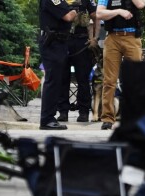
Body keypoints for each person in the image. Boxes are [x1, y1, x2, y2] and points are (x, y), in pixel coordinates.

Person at [95, 0, 145, 130]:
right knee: (109, 81)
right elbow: (99, 13)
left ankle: (134, 118)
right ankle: (107, 118)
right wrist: (118, 11)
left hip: (132, 37)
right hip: (113, 38)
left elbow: (141, 4)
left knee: (135, 80)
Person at [38, 0, 79, 130]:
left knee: (56, 81)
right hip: (52, 43)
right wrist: (75, 9)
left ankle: (50, 117)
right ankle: (47, 119)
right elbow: (68, 16)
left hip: (59, 43)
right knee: (52, 81)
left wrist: (71, 8)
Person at [57, 0, 96, 123]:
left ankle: (83, 111)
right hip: (63, 40)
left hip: (82, 41)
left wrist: (93, 38)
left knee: (83, 79)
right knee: (63, 78)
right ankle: (63, 111)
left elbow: (95, 16)